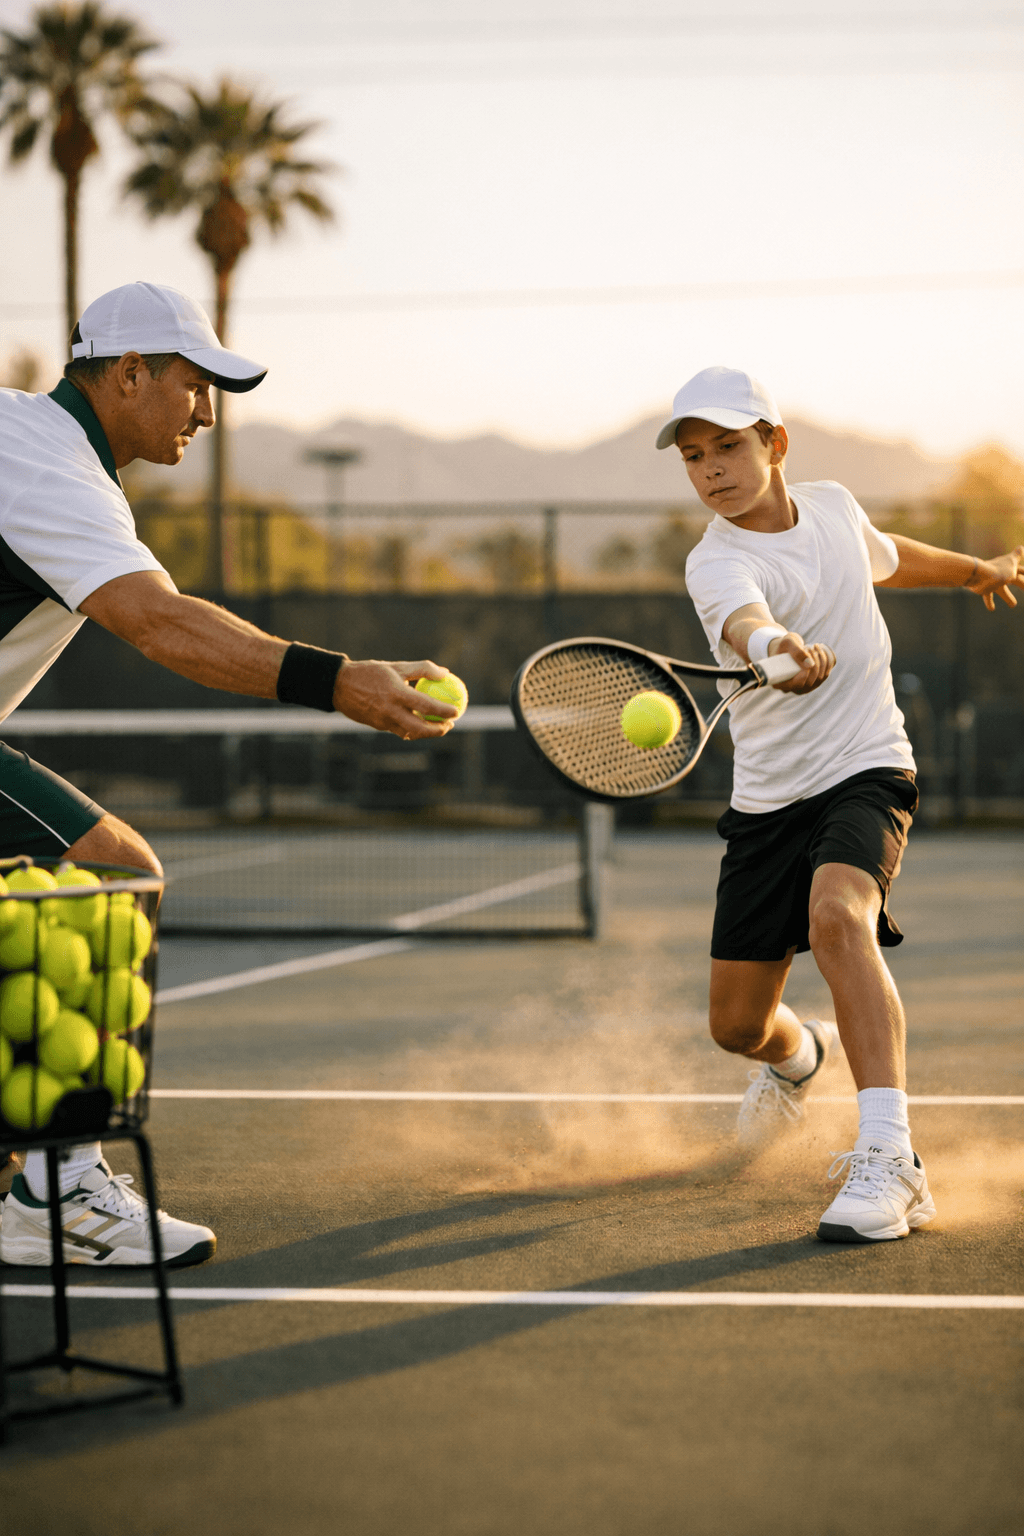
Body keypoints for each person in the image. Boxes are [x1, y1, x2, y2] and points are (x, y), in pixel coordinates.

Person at [0, 281, 459, 1268]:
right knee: (111, 872)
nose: (206, 413)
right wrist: (340, 681)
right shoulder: (48, 468)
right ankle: (56, 1191)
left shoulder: (26, 439)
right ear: (129, 374)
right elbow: (159, 622)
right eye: (194, 384)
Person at [655, 366, 1024, 1242]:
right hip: (767, 803)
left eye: (728, 446)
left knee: (837, 918)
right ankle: (799, 1056)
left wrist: (975, 570)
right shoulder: (716, 560)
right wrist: (777, 646)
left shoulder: (831, 506)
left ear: (775, 444)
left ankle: (892, 1159)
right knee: (737, 1027)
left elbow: (885, 553)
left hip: (867, 767)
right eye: (694, 456)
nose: (711, 469)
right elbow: (746, 621)